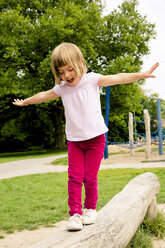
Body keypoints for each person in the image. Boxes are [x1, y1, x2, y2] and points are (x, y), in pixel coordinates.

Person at [13, 42, 159, 231]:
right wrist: (26, 102)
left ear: (79, 63)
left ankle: (90, 209)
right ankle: (75, 214)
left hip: (96, 138)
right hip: (75, 141)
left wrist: (141, 75)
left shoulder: (92, 80)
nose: (66, 76)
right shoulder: (62, 88)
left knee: (89, 177)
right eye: (61, 72)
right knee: (74, 177)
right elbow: (44, 95)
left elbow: (118, 77)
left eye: (70, 69)